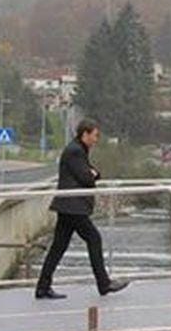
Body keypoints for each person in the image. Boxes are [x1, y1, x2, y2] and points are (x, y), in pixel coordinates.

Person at [35, 119, 128, 299]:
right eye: (94, 136)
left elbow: (93, 173)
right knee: (94, 239)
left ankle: (43, 287)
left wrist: (93, 173)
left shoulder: (77, 149)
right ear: (84, 134)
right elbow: (87, 177)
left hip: (69, 205)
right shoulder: (75, 151)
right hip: (73, 206)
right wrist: (92, 174)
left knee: (58, 247)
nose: (96, 140)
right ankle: (104, 283)